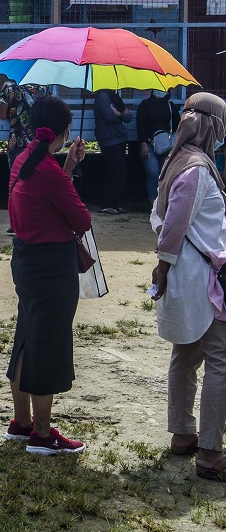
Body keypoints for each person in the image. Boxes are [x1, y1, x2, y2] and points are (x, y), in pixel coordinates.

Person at [6, 95, 90, 455]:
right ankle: (42, 433)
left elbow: (42, 197)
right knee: (49, 343)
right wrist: (66, 173)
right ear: (65, 129)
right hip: (53, 265)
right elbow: (82, 220)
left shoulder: (25, 159)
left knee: (27, 337)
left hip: (26, 259)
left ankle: (22, 422)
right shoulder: (48, 172)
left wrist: (67, 165)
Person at [149, 93, 226, 481]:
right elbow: (175, 224)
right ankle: (211, 453)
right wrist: (165, 265)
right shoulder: (196, 167)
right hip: (198, 278)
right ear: (213, 125)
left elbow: (158, 218)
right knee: (220, 360)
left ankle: (183, 434)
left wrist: (164, 266)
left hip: (184, 275)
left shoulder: (175, 162)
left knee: (186, 354)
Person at [138, 89, 182, 204]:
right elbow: (140, 124)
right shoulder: (145, 105)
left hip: (166, 145)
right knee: (153, 172)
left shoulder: (171, 106)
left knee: (164, 174)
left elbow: (178, 125)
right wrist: (143, 143)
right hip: (148, 143)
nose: (160, 92)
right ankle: (153, 202)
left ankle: (162, 202)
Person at [93, 90, 132, 214]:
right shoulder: (102, 96)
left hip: (119, 137)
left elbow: (128, 117)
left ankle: (114, 203)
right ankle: (108, 203)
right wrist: (120, 115)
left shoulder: (115, 98)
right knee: (120, 170)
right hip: (108, 138)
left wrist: (118, 114)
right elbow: (109, 116)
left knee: (114, 171)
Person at [0, 80, 43, 169]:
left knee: (17, 179)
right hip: (39, 142)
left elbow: (2, 115)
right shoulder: (43, 87)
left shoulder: (9, 86)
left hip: (17, 142)